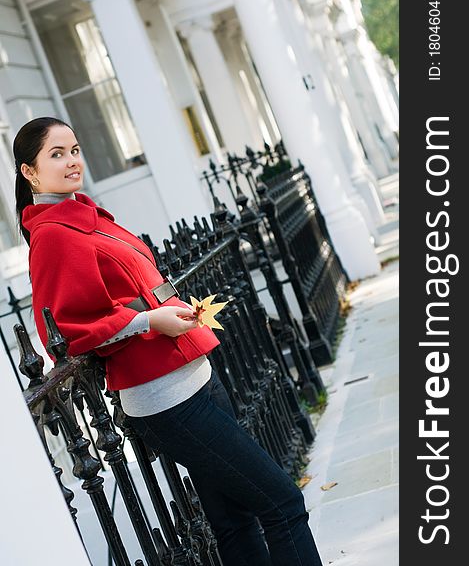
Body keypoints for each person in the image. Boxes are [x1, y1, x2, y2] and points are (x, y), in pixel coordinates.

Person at [14, 116, 323, 566]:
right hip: (168, 399)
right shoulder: (53, 236)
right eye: (56, 154)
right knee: (283, 504)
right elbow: (67, 332)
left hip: (197, 377)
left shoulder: (86, 215)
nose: (72, 161)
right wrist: (149, 321)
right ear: (30, 172)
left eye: (75, 149)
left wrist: (159, 311)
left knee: (234, 520)